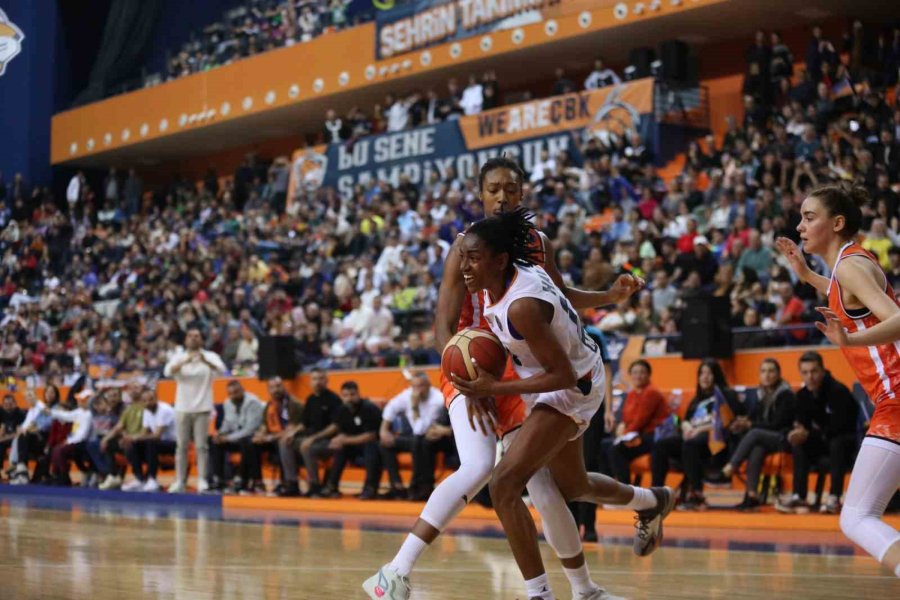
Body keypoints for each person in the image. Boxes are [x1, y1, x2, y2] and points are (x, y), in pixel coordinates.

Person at [364, 157, 641, 600]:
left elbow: (562, 296)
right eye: (493, 188)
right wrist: (464, 377)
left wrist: (610, 295)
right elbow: (442, 325)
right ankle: (395, 572)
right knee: (479, 467)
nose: (502, 196)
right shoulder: (467, 246)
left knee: (548, 487)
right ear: (480, 194)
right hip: (472, 365)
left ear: (522, 194)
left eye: (511, 188)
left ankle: (585, 590)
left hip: (520, 370)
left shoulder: (536, 244)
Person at [450, 209, 675, 600]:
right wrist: (609, 296)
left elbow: (562, 376)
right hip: (570, 374)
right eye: (463, 257)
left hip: (571, 386)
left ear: (499, 260)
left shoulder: (521, 305)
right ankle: (653, 500)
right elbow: (563, 295)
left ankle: (540, 594)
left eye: (472, 258)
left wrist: (491, 387)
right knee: (574, 485)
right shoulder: (510, 276)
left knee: (503, 484)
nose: (463, 266)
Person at [776, 183, 900, 577]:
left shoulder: (849, 265)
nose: (800, 226)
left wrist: (850, 339)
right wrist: (805, 274)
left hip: (896, 397)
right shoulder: (846, 267)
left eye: (809, 217)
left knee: (857, 517)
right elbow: (844, 293)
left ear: (838, 222)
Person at [650, 359, 744, 510]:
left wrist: (701, 429)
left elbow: (729, 422)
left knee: (690, 443)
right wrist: (686, 426)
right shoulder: (696, 399)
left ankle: (696, 493)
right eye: (702, 373)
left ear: (717, 376)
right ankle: (656, 494)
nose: (705, 377)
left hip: (716, 442)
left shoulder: (727, 395)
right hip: (693, 437)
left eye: (709, 373)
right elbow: (686, 420)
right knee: (661, 445)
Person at [775, 351, 858, 515]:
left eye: (814, 371)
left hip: (846, 443)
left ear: (822, 370)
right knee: (799, 445)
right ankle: (799, 495)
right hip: (821, 441)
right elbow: (802, 424)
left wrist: (809, 434)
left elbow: (840, 427)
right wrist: (797, 433)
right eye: (805, 373)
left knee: (837, 442)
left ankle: (834, 497)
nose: (810, 377)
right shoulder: (802, 395)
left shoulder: (838, 391)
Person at [721, 358, 796, 511]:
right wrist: (742, 422)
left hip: (784, 438)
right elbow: (752, 417)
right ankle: (752, 495)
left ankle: (732, 465)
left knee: (754, 433)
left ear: (779, 374)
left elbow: (777, 424)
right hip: (766, 440)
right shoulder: (762, 394)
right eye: (763, 371)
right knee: (757, 448)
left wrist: (750, 424)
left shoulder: (785, 394)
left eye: (771, 371)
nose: (767, 375)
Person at [163, 328, 226, 493]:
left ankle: (202, 480)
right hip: (182, 407)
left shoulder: (210, 356)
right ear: (185, 340)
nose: (193, 339)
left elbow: (222, 370)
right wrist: (184, 362)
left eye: (197, 336)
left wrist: (205, 361)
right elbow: (167, 371)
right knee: (181, 446)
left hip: (203, 407)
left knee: (201, 446)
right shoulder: (179, 357)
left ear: (201, 340)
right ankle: (180, 481)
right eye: (190, 336)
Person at [376, 372, 446, 500]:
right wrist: (384, 430)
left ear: (429, 385)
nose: (416, 390)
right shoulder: (408, 394)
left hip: (433, 439)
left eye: (420, 386)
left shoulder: (437, 399)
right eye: (414, 386)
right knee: (385, 444)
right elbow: (390, 407)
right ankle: (397, 486)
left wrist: (414, 406)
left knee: (419, 442)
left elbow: (420, 429)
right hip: (416, 438)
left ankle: (420, 487)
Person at [309, 381, 382, 498]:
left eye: (352, 395)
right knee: (340, 449)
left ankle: (370, 488)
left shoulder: (368, 408)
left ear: (358, 394)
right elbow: (339, 429)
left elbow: (371, 435)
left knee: (370, 447)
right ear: (342, 396)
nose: (349, 398)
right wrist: (336, 440)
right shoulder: (342, 410)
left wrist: (345, 440)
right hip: (354, 446)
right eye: (346, 395)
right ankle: (331, 486)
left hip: (376, 446)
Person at [601, 360, 668, 484]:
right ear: (630, 375)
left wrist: (624, 433)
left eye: (642, 372)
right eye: (635, 372)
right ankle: (609, 487)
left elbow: (640, 420)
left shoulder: (651, 392)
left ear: (649, 375)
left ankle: (625, 489)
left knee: (616, 449)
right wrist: (623, 426)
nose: (638, 376)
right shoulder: (632, 393)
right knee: (603, 445)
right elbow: (626, 418)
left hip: (651, 436)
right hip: (634, 434)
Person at [208, 380, 265, 493]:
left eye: (236, 392)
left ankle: (243, 480)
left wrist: (228, 438)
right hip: (236, 437)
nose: (233, 395)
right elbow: (228, 423)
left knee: (247, 442)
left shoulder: (253, 402)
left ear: (242, 390)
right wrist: (220, 433)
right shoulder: (227, 402)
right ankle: (219, 479)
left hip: (255, 438)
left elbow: (249, 430)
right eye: (231, 393)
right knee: (213, 441)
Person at [255, 376, 304, 497]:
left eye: (278, 386)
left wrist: (269, 438)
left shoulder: (295, 404)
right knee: (251, 444)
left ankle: (288, 483)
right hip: (274, 437)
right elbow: (264, 424)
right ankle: (256, 482)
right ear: (268, 390)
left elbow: (291, 429)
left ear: (284, 387)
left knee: (283, 443)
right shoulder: (269, 405)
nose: (276, 390)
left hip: (292, 438)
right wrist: (261, 434)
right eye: (272, 387)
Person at [121, 389, 177, 493]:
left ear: (156, 399)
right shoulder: (146, 411)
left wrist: (136, 437)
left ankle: (152, 479)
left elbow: (157, 435)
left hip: (173, 443)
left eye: (150, 400)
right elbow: (144, 433)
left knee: (151, 443)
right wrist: (131, 438)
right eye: (145, 400)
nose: (148, 403)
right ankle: (140, 479)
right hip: (158, 443)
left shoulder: (164, 410)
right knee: (133, 444)